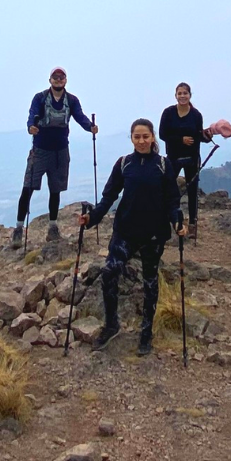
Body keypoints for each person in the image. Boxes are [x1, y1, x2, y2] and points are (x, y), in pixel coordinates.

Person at [80, 118, 185, 356]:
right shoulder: (124, 164)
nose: (141, 141)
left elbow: (172, 200)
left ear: (152, 138)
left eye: (145, 136)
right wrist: (91, 219)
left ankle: (146, 333)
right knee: (109, 272)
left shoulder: (163, 164)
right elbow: (108, 197)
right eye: (137, 137)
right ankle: (111, 324)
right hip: (125, 232)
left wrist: (178, 221)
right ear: (131, 139)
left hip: (154, 234)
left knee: (150, 282)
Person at [13, 67, 97, 249]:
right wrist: (30, 128)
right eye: (55, 77)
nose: (58, 79)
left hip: (60, 150)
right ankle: (19, 229)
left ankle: (52, 227)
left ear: (65, 80)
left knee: (55, 190)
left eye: (61, 77)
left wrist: (90, 126)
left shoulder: (72, 100)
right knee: (28, 188)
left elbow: (79, 117)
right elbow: (32, 116)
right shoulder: (40, 98)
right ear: (50, 79)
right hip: (41, 149)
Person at [158, 83, 212, 244]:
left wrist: (208, 136)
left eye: (185, 93)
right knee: (167, 188)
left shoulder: (196, 115)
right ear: (175, 95)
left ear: (190, 95)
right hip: (173, 156)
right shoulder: (168, 113)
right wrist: (180, 140)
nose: (182, 96)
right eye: (180, 93)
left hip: (192, 157)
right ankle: (165, 220)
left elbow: (198, 135)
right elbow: (162, 134)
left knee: (193, 190)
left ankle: (193, 224)